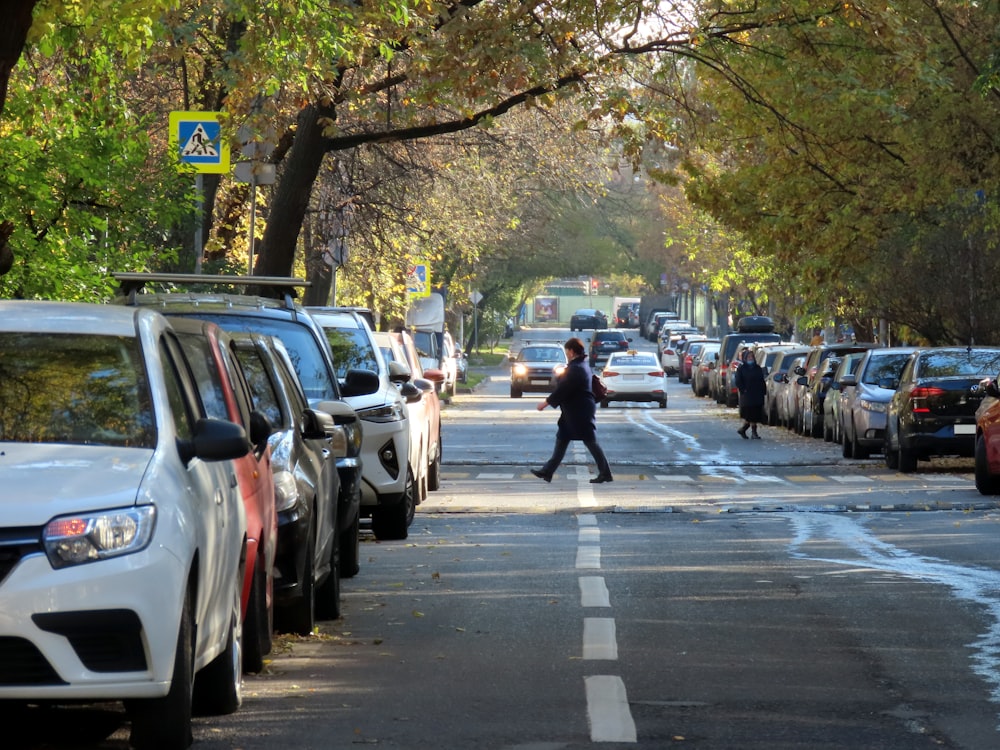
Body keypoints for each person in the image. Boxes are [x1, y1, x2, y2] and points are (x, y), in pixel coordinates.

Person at [530, 337, 613, 483]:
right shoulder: (580, 365)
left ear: (572, 351)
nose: (566, 354)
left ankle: (605, 473)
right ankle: (547, 471)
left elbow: (563, 389)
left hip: (579, 412)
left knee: (590, 441)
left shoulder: (576, 368)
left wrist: (545, 403)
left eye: (567, 351)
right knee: (562, 438)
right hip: (574, 411)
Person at [734, 348, 767, 439]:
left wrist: (764, 391)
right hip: (747, 395)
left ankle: (743, 430)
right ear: (745, 358)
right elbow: (738, 381)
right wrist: (743, 389)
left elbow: (761, 380)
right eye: (748, 357)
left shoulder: (757, 368)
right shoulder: (742, 369)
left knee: (755, 414)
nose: (750, 358)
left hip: (757, 394)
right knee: (750, 414)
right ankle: (753, 432)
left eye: (751, 356)